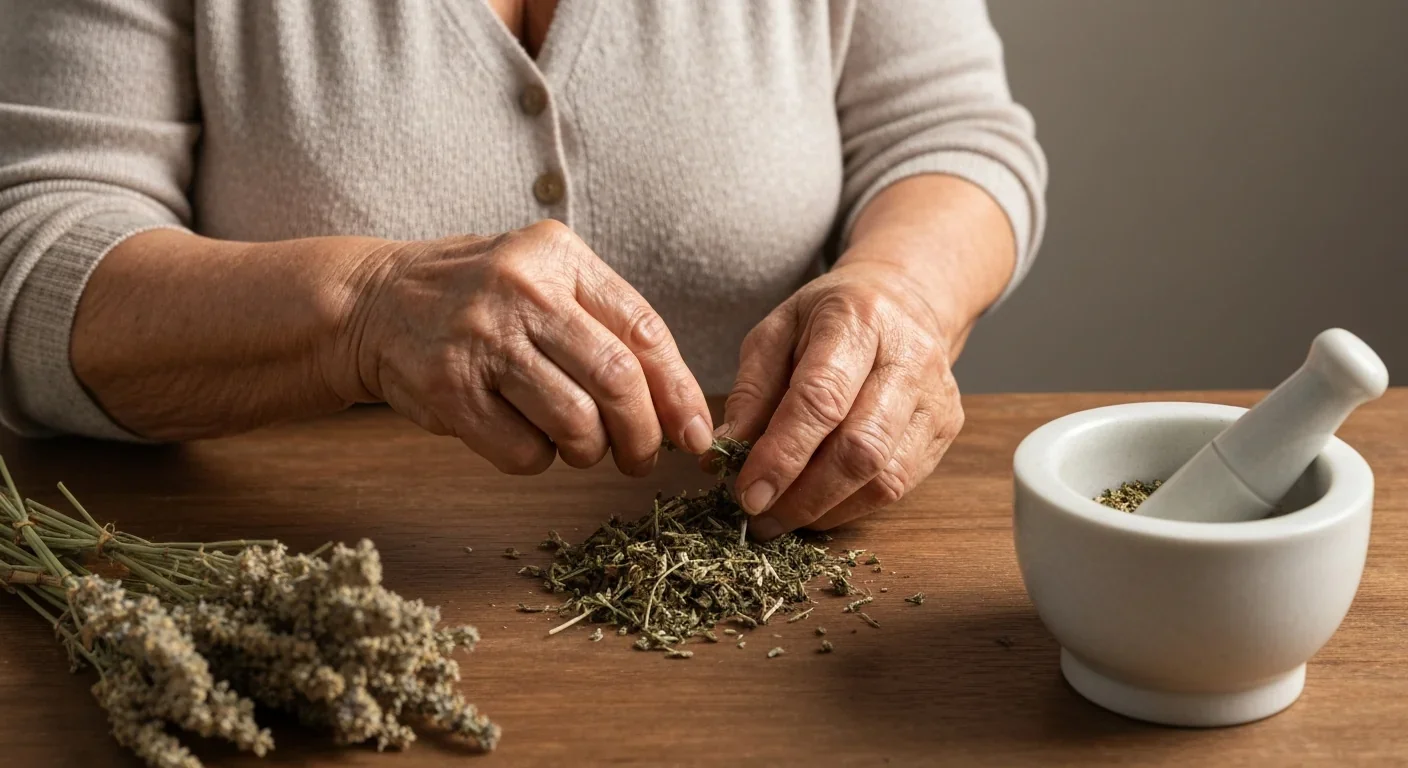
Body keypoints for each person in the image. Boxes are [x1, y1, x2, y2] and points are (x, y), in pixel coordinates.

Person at [0, 0, 1046, 540]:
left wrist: (902, 290)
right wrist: (361, 313)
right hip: (278, 570)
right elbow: (35, 254)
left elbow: (947, 134)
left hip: (769, 581)